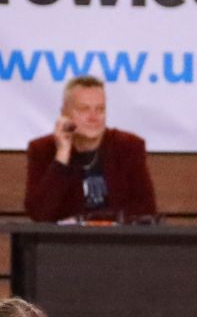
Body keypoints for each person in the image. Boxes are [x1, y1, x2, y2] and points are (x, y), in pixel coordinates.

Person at [24, 75, 158, 223]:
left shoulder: (128, 146)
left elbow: (146, 210)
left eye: (100, 109)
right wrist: (62, 156)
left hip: (117, 236)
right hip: (65, 237)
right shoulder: (42, 149)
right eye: (84, 109)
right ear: (65, 114)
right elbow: (39, 214)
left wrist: (97, 222)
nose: (94, 117)